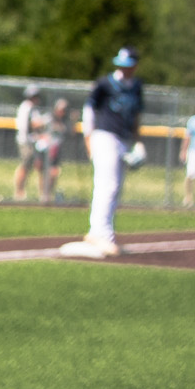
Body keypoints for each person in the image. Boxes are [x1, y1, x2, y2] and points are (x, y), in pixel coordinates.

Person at [61, 47, 146, 258]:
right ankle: (99, 234)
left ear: (135, 66)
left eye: (128, 66)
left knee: (116, 187)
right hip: (104, 136)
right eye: (121, 65)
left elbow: (135, 117)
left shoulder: (136, 86)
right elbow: (89, 110)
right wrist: (88, 138)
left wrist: (138, 142)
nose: (124, 69)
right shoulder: (105, 83)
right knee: (106, 185)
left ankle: (104, 232)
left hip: (123, 139)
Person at [12, 84, 48, 201]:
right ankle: (19, 192)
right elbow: (31, 125)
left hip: (33, 141)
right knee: (25, 166)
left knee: (38, 167)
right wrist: (45, 121)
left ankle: (42, 194)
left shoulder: (34, 108)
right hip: (26, 142)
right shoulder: (26, 107)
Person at [40, 96, 72, 202]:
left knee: (54, 172)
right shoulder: (49, 118)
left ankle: (48, 194)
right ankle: (43, 195)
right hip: (45, 148)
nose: (62, 112)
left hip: (56, 149)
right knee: (44, 172)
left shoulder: (66, 122)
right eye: (60, 110)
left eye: (64, 110)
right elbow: (38, 126)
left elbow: (71, 132)